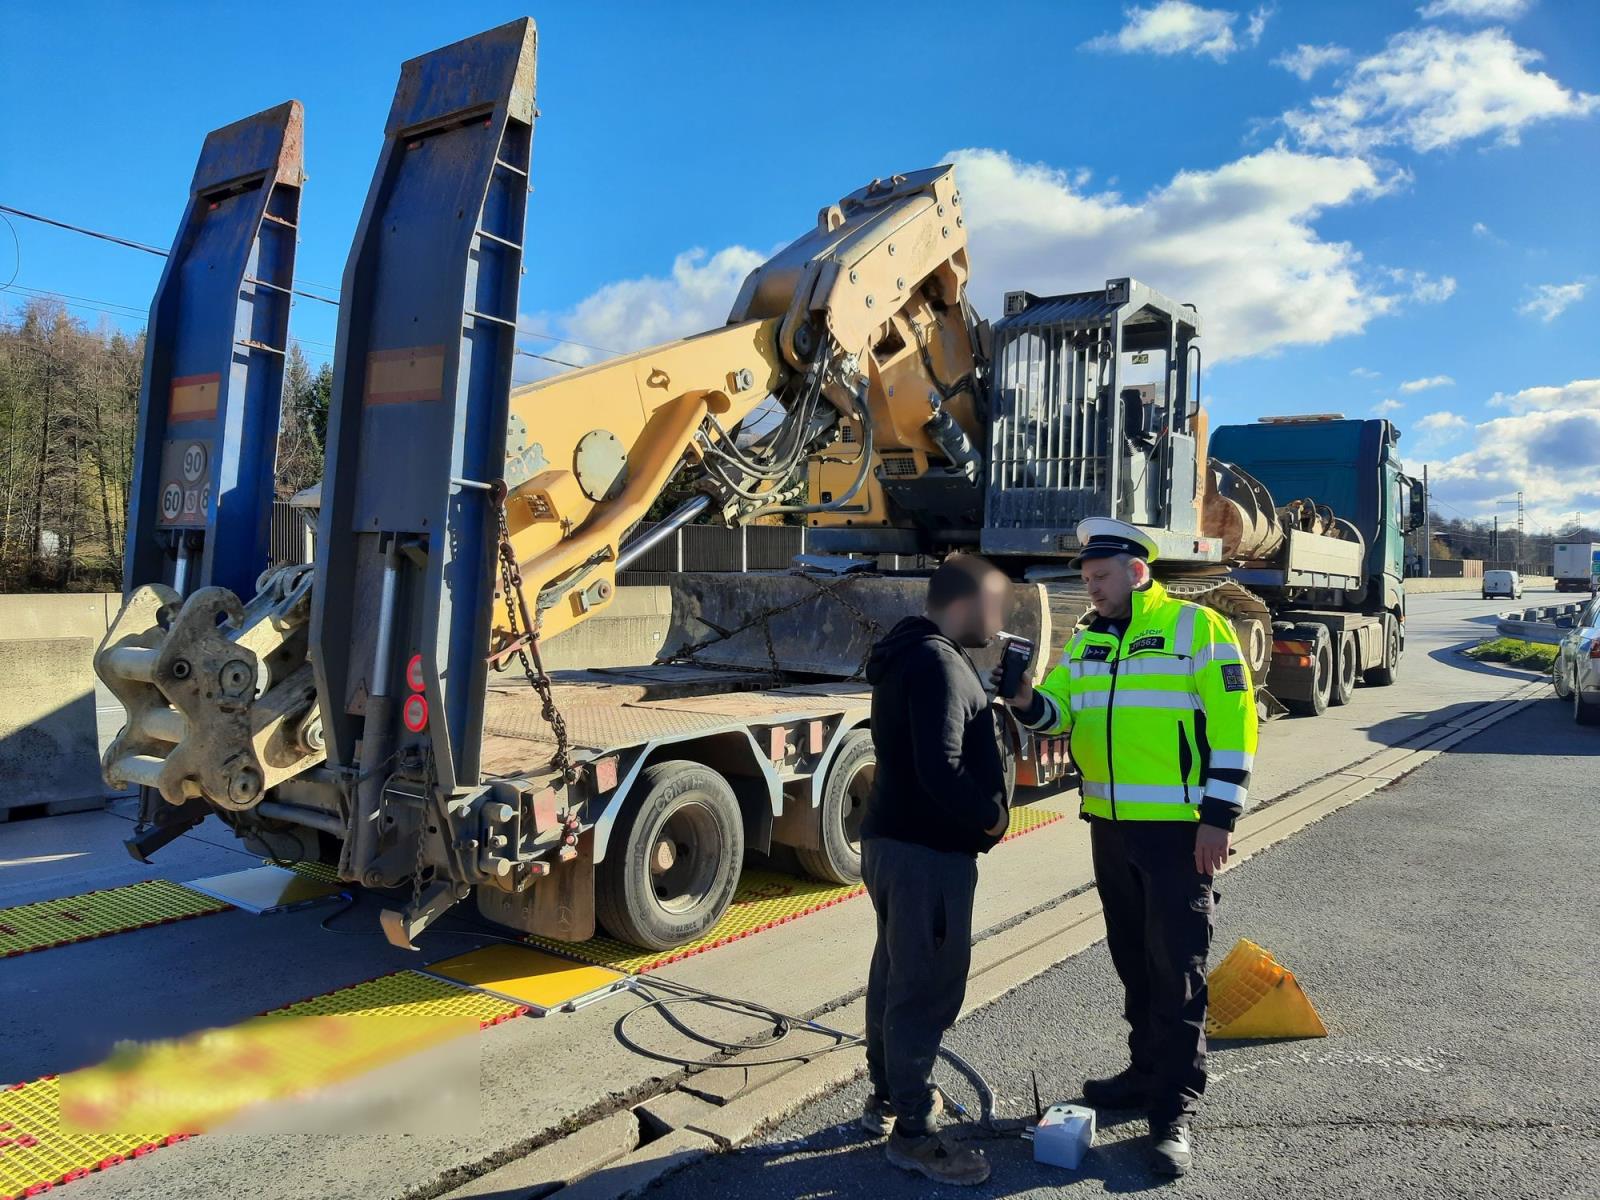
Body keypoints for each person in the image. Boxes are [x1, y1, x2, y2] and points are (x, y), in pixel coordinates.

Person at [997, 517, 1258, 1178]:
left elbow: (1236, 724)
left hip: (1178, 831)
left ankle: (1172, 1111)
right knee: (1134, 962)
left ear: (1137, 572)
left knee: (1177, 969)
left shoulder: (1197, 628)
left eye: (1100, 576)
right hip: (1109, 828)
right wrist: (1023, 696)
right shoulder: (1087, 638)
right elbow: (1059, 713)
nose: (1090, 587)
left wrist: (1219, 816)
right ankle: (1145, 1073)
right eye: (1086, 577)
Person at [859, 553, 1013, 1187]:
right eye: (996, 606)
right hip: (926, 856)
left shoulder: (914, 654)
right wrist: (990, 818)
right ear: (966, 603)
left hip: (895, 844)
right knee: (925, 986)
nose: (999, 621)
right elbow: (940, 767)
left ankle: (888, 1095)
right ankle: (915, 1132)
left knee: (896, 974)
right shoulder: (939, 664)